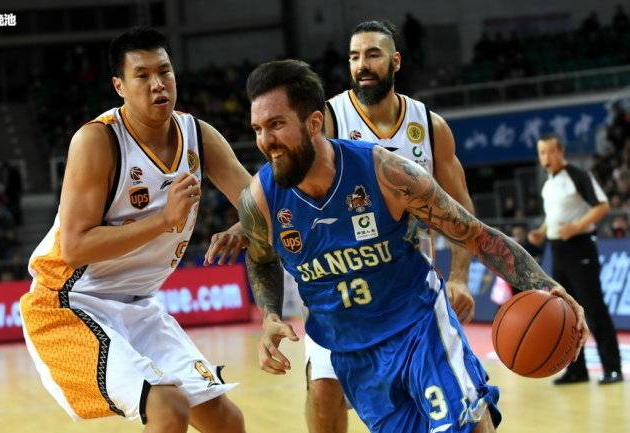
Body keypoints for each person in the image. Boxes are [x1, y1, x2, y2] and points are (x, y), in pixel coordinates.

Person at [240, 59, 589, 433]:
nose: (265, 141)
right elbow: (260, 260)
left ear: (313, 123)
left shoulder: (383, 172)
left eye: (276, 125)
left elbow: (474, 234)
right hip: (355, 355)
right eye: (258, 129)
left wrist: (545, 285)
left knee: (469, 428)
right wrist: (271, 314)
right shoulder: (259, 200)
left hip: (419, 327)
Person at [19, 28, 250, 433]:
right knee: (168, 409)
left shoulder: (198, 135)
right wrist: (162, 220)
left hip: (139, 305)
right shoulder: (98, 140)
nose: (157, 84)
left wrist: (243, 227)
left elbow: (259, 205)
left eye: (164, 71)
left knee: (226, 421)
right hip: (69, 302)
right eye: (142, 75)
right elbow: (74, 247)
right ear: (119, 86)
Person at [309, 20, 477, 433]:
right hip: (342, 284)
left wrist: (460, 277)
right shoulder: (328, 118)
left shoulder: (430, 127)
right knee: (324, 390)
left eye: (373, 54)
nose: (362, 64)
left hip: (409, 288)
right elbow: (289, 189)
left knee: (443, 402)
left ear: (395, 61)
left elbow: (462, 212)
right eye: (354, 56)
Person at [528, 134, 623, 385]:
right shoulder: (548, 184)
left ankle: (612, 367)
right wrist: (542, 231)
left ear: (561, 151)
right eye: (542, 152)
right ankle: (576, 369)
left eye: (550, 151)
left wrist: (577, 227)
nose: (546, 157)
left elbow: (602, 206)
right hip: (557, 250)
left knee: (593, 308)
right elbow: (555, 216)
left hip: (579, 247)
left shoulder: (578, 176)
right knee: (566, 311)